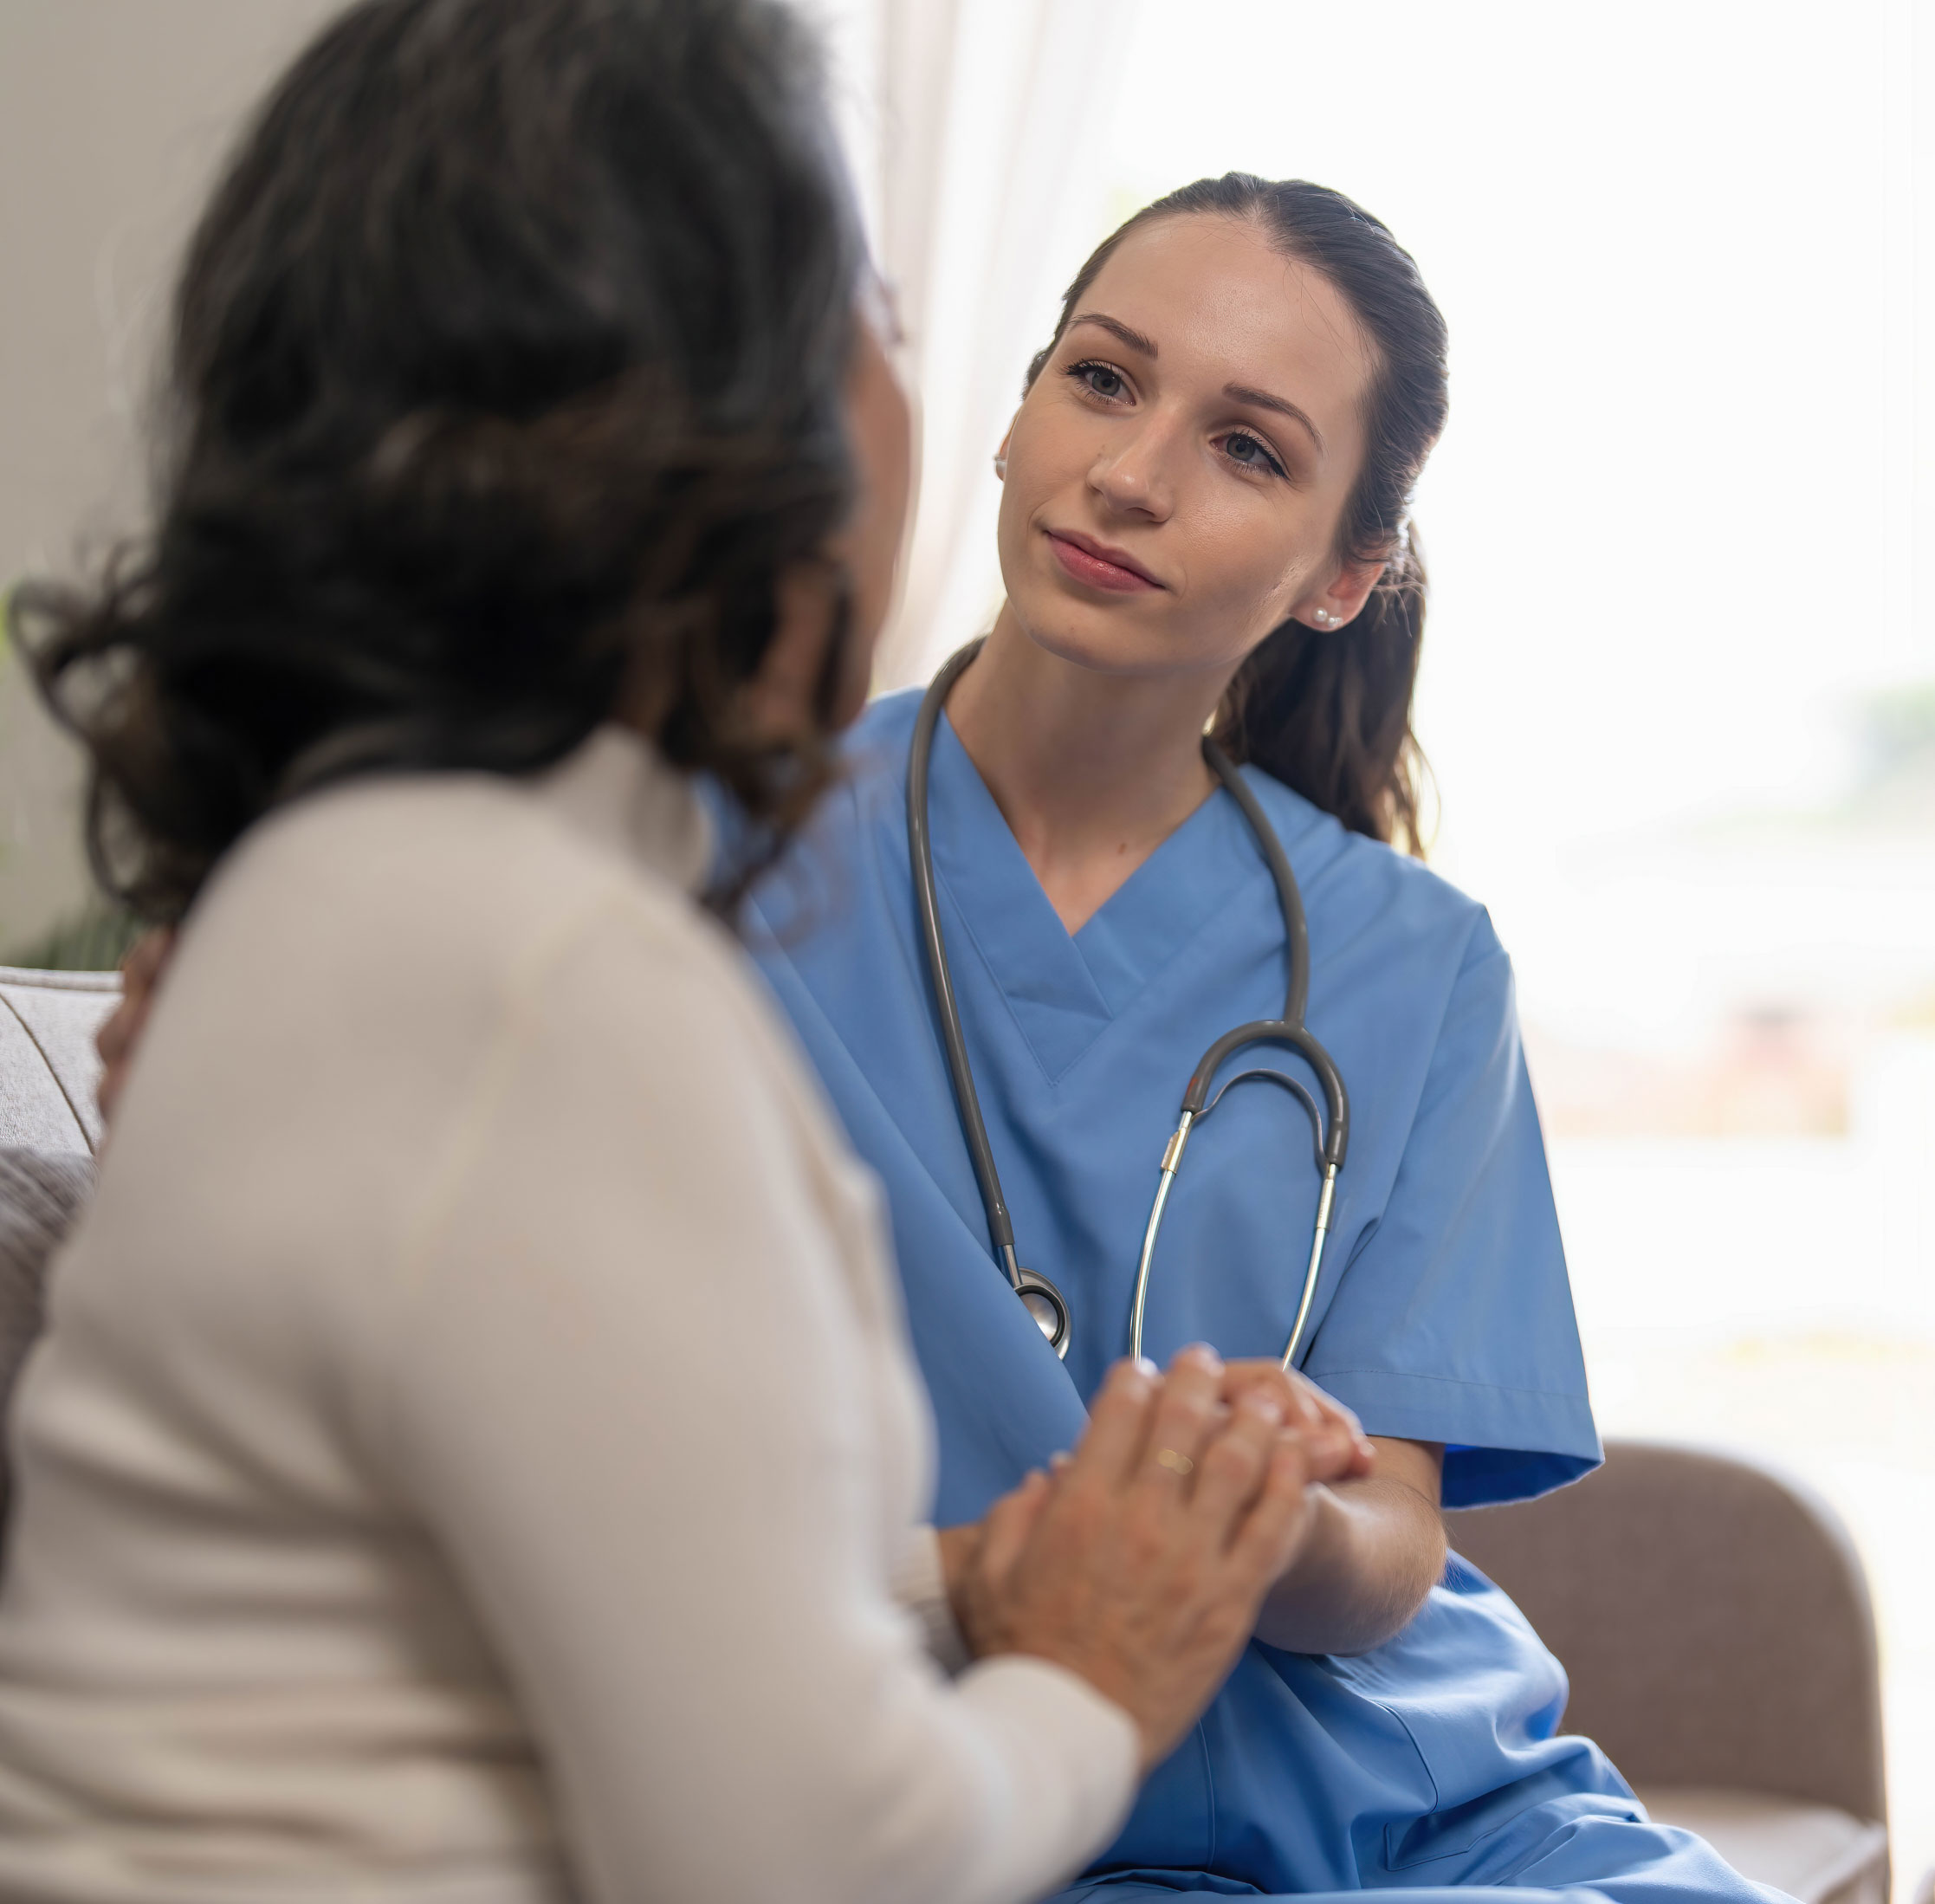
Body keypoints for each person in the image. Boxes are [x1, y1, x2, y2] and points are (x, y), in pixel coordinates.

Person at [0, 10, 1369, 1900]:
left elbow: (475, 1603)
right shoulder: (551, 979)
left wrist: (966, 1579)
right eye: (882, 313)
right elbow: (812, 1859)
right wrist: (1094, 1669)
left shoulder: (356, 894)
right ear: (737, 424)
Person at [747, 177, 1789, 1902]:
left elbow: (1390, 1543)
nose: (1130, 473)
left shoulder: (1415, 964)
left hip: (1418, 1812)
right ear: (1012, 412)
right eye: (1100, 379)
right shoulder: (711, 862)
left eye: (1247, 448)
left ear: (1341, 574)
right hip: (955, 1800)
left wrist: (1265, 1515)